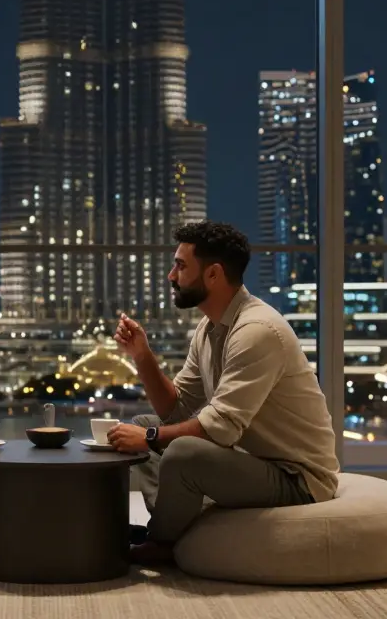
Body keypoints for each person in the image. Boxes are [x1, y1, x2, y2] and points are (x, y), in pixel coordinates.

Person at [107, 220, 340, 565]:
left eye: (181, 266)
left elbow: (221, 427)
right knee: (147, 422)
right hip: (249, 460)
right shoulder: (210, 328)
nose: (172, 275)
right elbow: (177, 408)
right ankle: (175, 528)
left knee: (179, 449)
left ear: (213, 274)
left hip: (296, 478)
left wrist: (150, 437)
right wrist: (142, 356)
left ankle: (163, 542)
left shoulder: (256, 331)